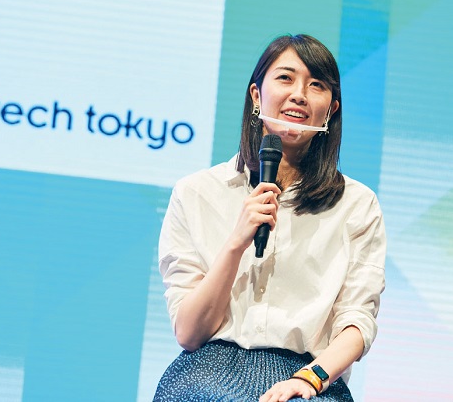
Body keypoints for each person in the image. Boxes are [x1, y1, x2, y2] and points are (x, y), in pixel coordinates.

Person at [154, 34, 386, 401]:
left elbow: (357, 320)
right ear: (256, 96)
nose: (299, 94)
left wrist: (310, 379)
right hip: (207, 372)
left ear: (331, 110)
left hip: (309, 375)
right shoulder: (196, 192)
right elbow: (189, 333)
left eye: (316, 85)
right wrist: (236, 242)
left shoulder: (356, 204)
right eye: (285, 78)